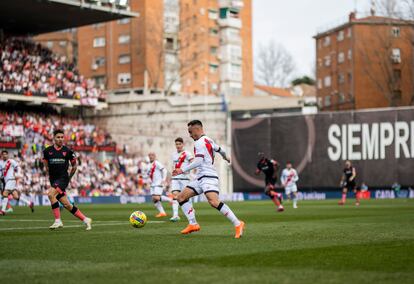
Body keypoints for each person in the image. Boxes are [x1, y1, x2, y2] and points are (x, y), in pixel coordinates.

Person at [172, 120, 245, 238]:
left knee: (213, 202)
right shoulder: (208, 139)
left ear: (197, 129)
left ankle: (238, 223)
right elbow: (219, 149)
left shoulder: (199, 142)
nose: (190, 135)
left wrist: (182, 170)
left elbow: (199, 161)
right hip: (200, 177)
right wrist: (225, 156)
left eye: (191, 132)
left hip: (208, 176)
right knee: (181, 197)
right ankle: (193, 224)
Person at [43, 129, 92, 230]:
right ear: (54, 138)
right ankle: (86, 219)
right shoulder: (47, 151)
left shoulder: (68, 151)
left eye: (62, 137)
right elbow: (46, 166)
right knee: (67, 205)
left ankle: (58, 221)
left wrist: (68, 178)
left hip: (63, 179)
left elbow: (74, 166)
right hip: (53, 180)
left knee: (51, 195)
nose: (60, 139)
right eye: (58, 137)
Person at [0, 150, 34, 215]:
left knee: (5, 193)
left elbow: (17, 167)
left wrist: (16, 173)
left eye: (6, 154)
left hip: (11, 180)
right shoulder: (0, 163)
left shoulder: (11, 161)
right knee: (16, 196)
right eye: (3, 154)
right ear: (1, 155)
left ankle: (3, 210)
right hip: (6, 181)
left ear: (7, 155)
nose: (4, 155)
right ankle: (29, 203)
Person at [170, 137, 193, 222]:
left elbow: (193, 162)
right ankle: (175, 215)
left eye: (179, 144)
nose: (178, 145)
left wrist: (189, 171)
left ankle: (191, 211)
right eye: (176, 144)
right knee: (175, 195)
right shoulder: (173, 154)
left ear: (183, 144)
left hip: (184, 178)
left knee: (185, 197)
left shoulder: (187, 153)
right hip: (175, 178)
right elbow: (173, 165)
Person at [147, 152, 172, 218]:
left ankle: (170, 199)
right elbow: (148, 174)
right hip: (152, 184)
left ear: (155, 156)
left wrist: (163, 179)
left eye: (152, 155)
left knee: (156, 197)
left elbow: (164, 170)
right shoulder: (148, 165)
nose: (151, 156)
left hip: (158, 183)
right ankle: (162, 212)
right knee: (154, 199)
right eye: (149, 155)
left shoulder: (156, 163)